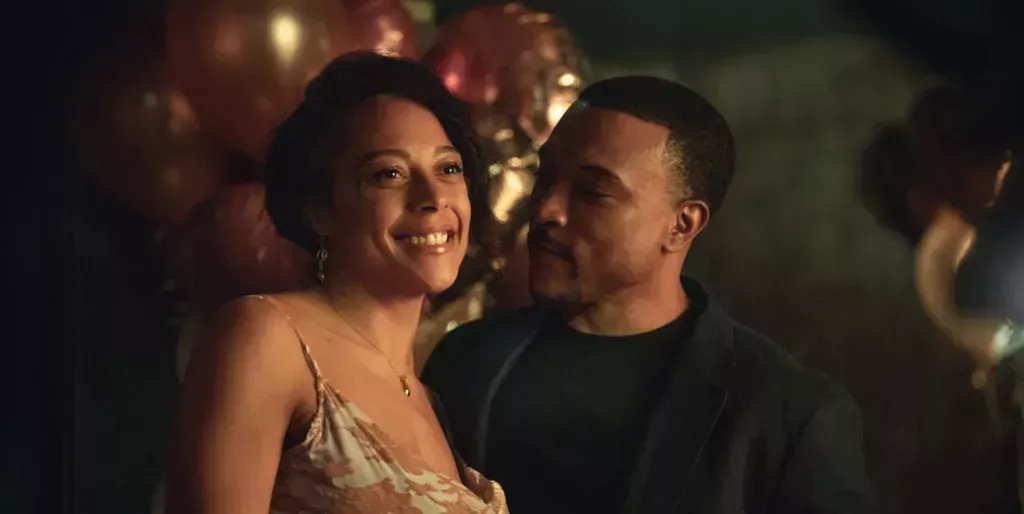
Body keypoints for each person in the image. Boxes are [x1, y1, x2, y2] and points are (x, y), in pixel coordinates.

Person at [422, 76, 876, 514]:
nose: (546, 210)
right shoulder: (466, 361)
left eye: (593, 192)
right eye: (546, 177)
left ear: (682, 224)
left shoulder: (786, 414)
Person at [164, 52, 508, 514]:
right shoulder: (268, 337)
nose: (433, 198)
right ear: (318, 211)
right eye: (388, 174)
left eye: (448, 169)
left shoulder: (431, 399)